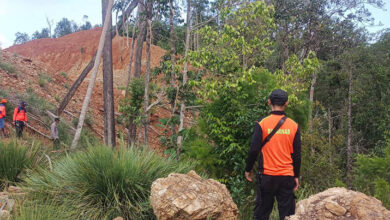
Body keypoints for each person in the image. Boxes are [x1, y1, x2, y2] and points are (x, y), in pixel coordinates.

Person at [245, 89, 301, 220]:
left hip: (266, 176)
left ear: (269, 102)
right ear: (286, 103)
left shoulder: (262, 123)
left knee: (261, 214)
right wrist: (296, 176)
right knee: (287, 215)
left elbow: (254, 149)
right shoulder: (293, 126)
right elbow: (297, 155)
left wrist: (248, 169)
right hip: (286, 176)